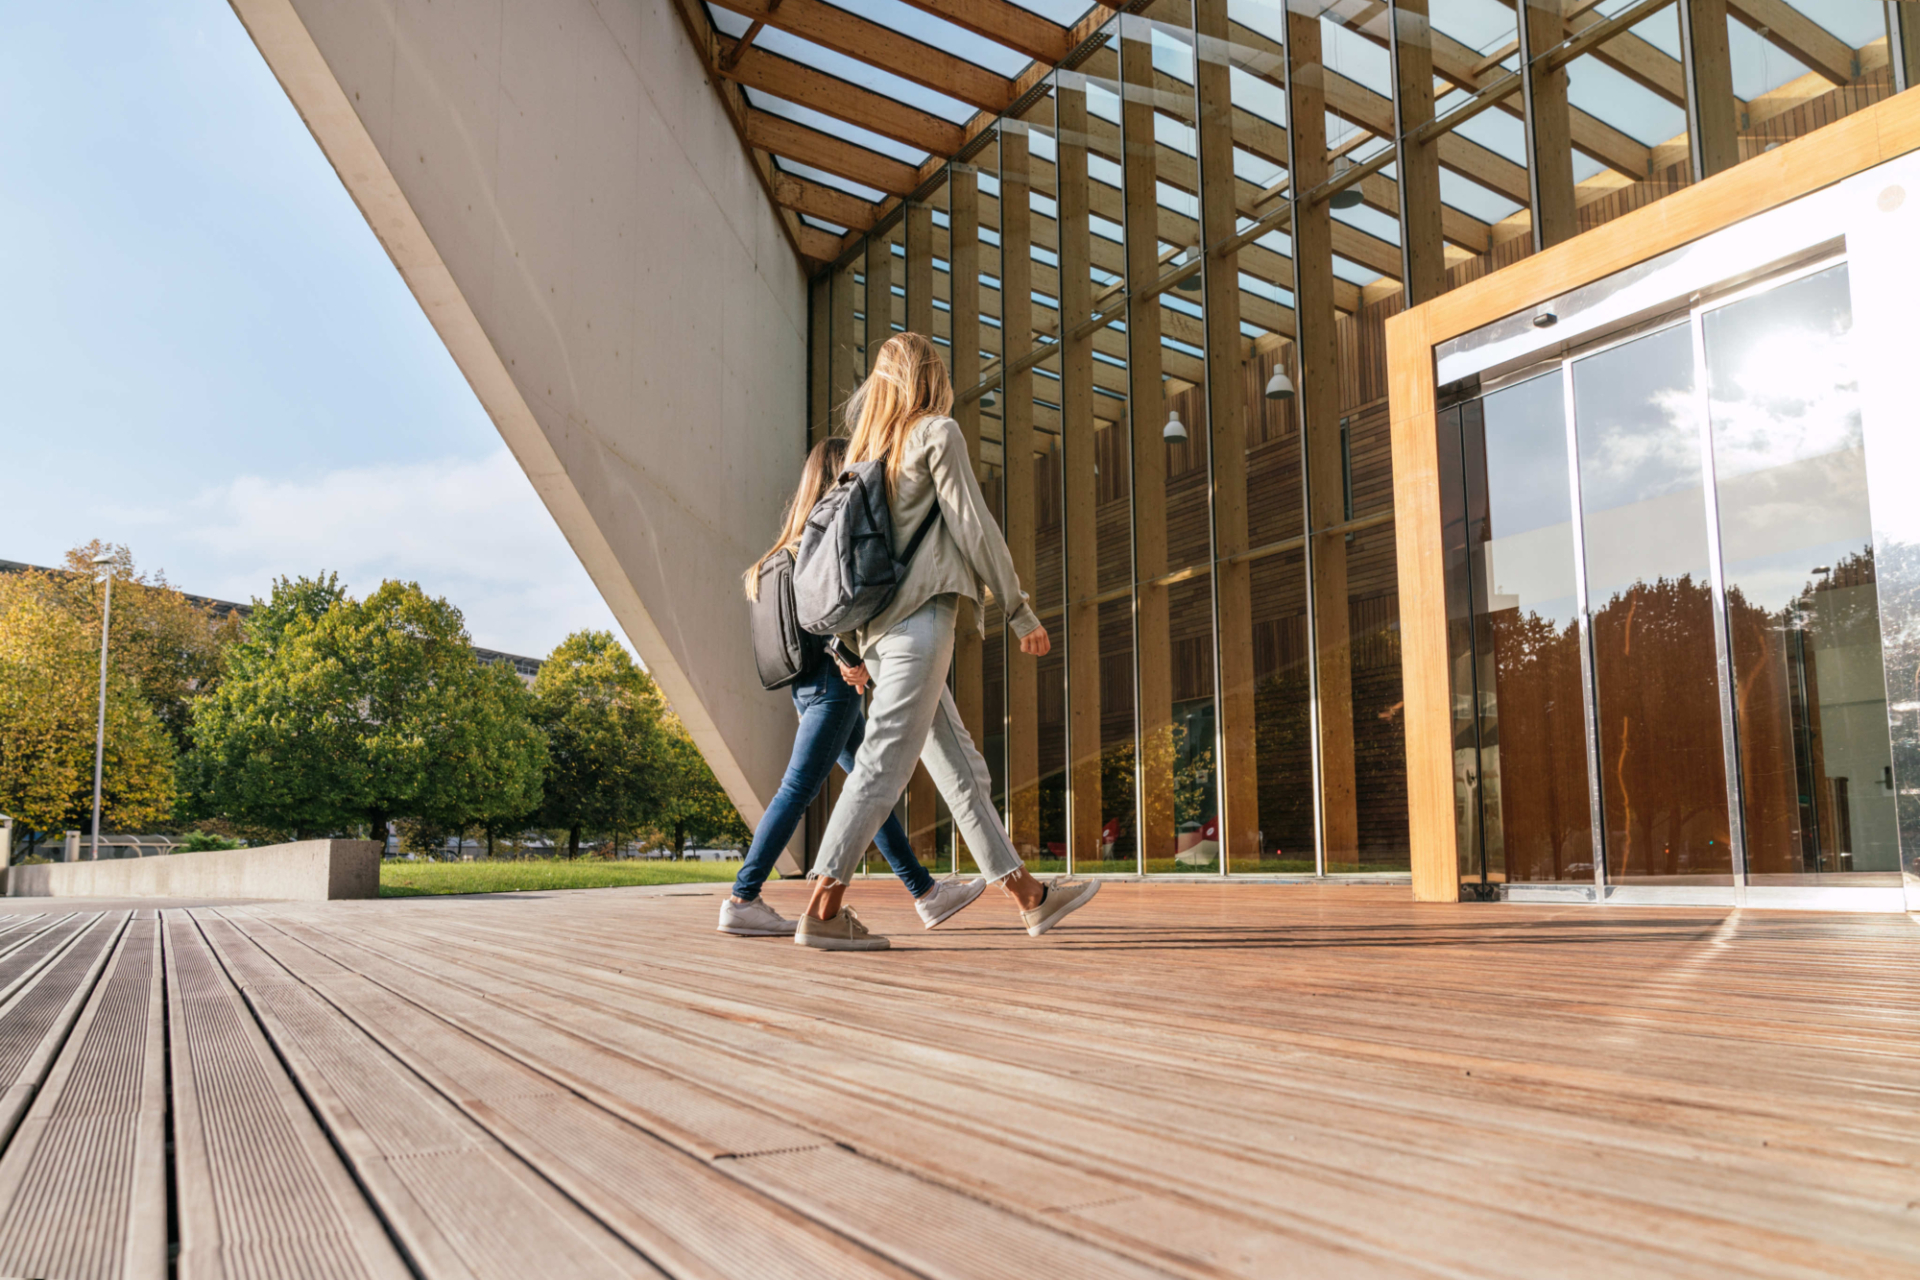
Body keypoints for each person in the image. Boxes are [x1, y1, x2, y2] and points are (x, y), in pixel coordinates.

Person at [797, 332, 1100, 951]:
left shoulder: (867, 454)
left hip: (881, 637)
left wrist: (851, 649)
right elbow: (974, 525)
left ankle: (1030, 898)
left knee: (962, 766)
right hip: (919, 629)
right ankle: (823, 909)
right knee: (884, 763)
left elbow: (853, 564)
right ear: (931, 376)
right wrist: (1018, 610)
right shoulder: (935, 432)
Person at [721, 437, 985, 938]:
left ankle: (926, 893)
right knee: (803, 789)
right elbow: (822, 616)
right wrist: (849, 659)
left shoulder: (779, 551)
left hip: (803, 687)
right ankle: (743, 896)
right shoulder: (815, 545)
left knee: (870, 790)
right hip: (831, 686)